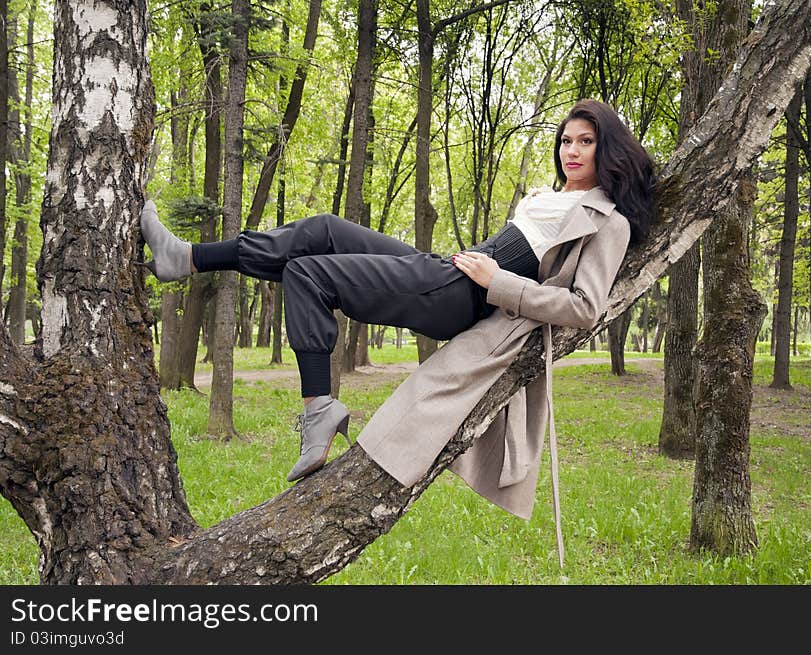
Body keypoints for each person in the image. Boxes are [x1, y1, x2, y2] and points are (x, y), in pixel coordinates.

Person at [140, 99, 655, 513]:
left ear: (606, 148)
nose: (572, 150)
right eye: (566, 140)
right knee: (321, 228)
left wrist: (499, 282)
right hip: (447, 268)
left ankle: (317, 407)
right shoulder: (551, 195)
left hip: (464, 293)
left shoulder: (608, 220)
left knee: (307, 272)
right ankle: (185, 258)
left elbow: (584, 308)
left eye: (585, 142)